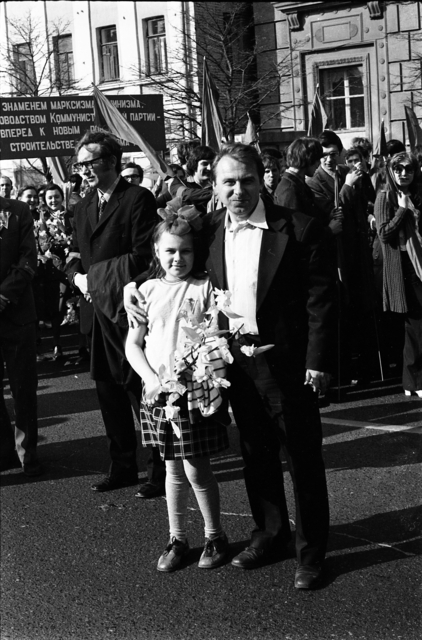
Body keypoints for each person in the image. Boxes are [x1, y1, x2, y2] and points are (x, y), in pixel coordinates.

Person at [124, 143, 335, 589]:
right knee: (256, 454)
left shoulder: (300, 229)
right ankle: (271, 534)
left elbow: (322, 301)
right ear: (216, 188)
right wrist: (133, 285)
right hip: (234, 362)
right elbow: (171, 258)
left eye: (247, 180)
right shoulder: (210, 228)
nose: (238, 190)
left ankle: (311, 553)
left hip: (287, 362)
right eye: (229, 182)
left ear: (263, 180)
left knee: (302, 459)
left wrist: (317, 362)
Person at [125, 212, 230, 572]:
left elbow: (214, 338)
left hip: (194, 393)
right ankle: (177, 538)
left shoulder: (205, 287)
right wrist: (150, 379)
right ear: (156, 250)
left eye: (185, 251)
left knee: (197, 470)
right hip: (159, 394)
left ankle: (215, 536)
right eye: (170, 251)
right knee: (171, 469)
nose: (178, 258)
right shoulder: (145, 291)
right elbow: (133, 344)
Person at [67, 131, 165, 496]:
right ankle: (122, 467)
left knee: (142, 393)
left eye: (89, 163)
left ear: (110, 161)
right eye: (80, 164)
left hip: (128, 312)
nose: (83, 170)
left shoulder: (137, 198)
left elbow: (145, 256)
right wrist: (76, 278)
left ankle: (159, 470)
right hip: (95, 313)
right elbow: (74, 254)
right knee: (109, 396)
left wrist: (95, 279)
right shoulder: (82, 206)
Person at [0, 194, 43, 477]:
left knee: (23, 388)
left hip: (16, 313)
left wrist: (3, 296)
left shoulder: (18, 210)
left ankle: (27, 454)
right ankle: (3, 453)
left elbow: (28, 258)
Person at [374, 152, 422, 397]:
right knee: (415, 324)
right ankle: (415, 381)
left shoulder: (417, 195)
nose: (404, 173)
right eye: (399, 169)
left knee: (416, 325)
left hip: (418, 263)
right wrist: (402, 211)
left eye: (409, 169)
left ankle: (412, 380)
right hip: (403, 266)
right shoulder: (385, 196)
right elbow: (383, 234)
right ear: (391, 172)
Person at [274, 137, 343, 236]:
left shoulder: (297, 183)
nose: (319, 163)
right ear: (308, 159)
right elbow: (297, 234)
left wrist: (328, 217)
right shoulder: (289, 190)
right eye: (317, 159)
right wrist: (329, 231)